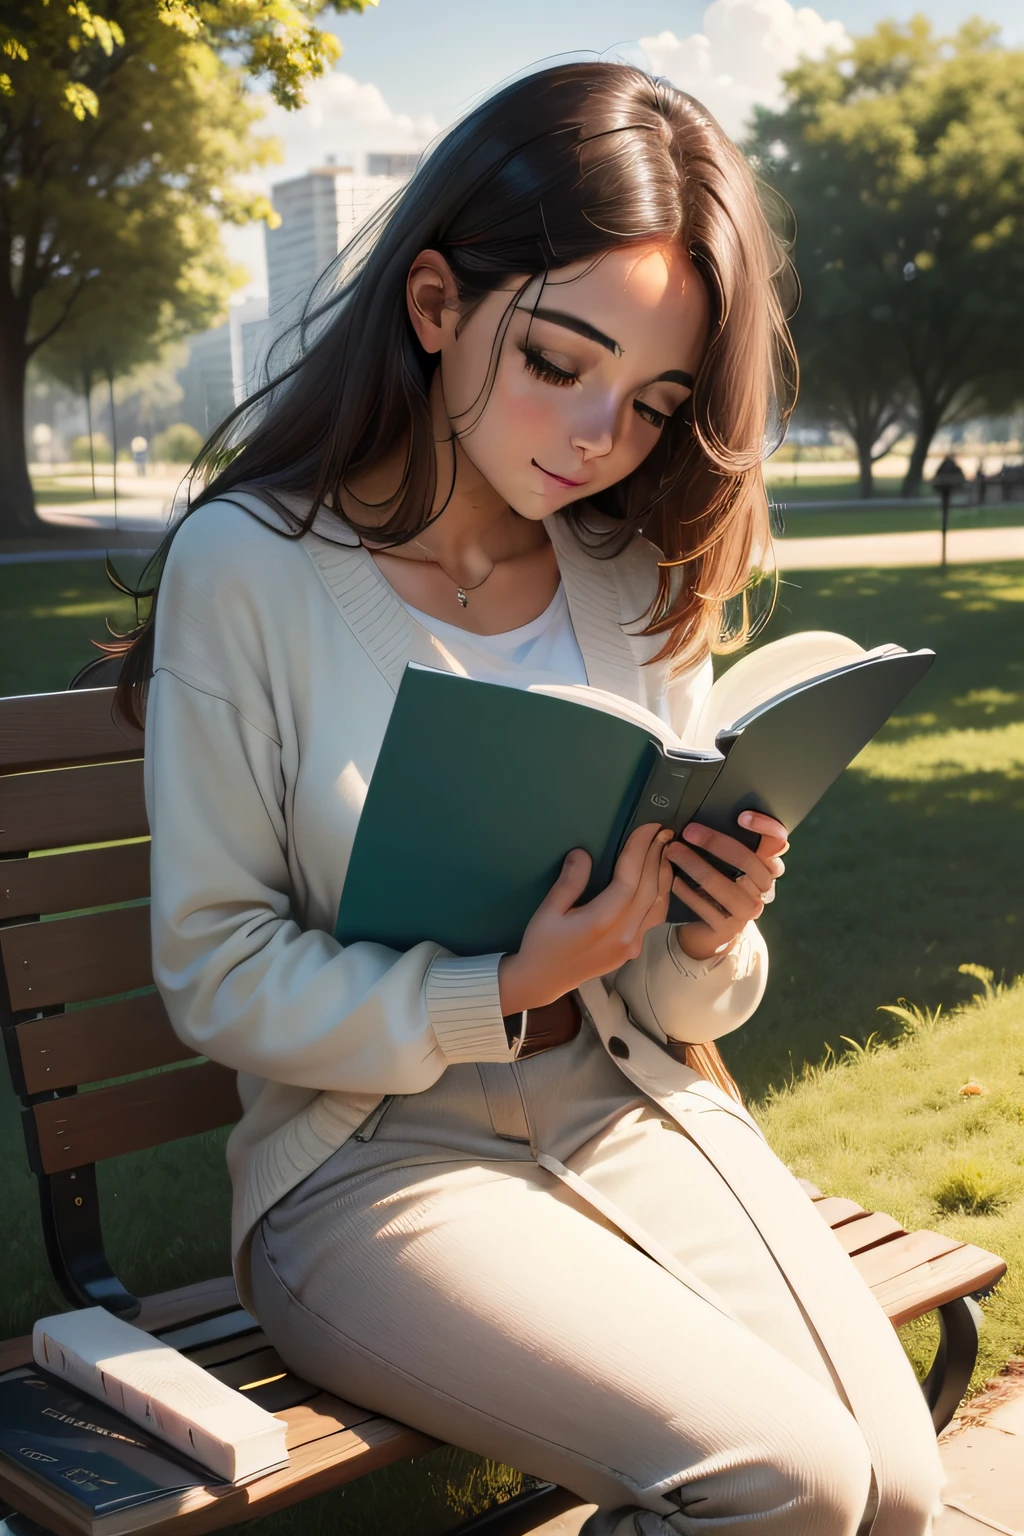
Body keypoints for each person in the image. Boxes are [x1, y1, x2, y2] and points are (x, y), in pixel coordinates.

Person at [114, 62, 943, 1536]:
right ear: (436, 306)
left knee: (895, 1487)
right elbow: (214, 972)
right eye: (560, 361)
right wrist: (495, 986)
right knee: (783, 1491)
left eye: (652, 402)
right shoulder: (250, 569)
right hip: (367, 1164)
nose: (595, 436)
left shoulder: (624, 578)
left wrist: (706, 929)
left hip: (629, 1096)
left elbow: (686, 1012)